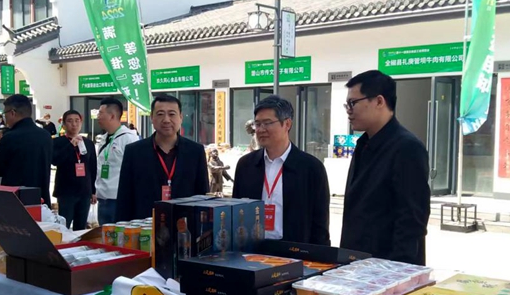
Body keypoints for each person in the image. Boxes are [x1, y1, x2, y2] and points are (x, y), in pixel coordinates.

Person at [340, 70, 430, 265]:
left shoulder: (407, 148)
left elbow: (412, 220)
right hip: (356, 263)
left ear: (379, 101)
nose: (349, 110)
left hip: (387, 268)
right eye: (347, 104)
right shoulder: (363, 144)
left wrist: (397, 270)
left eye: (353, 103)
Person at [232, 96, 330, 245]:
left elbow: (320, 223)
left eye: (267, 123)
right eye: (257, 124)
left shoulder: (310, 168)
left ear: (287, 124)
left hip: (293, 251)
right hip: (252, 249)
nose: (261, 129)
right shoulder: (246, 165)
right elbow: (236, 213)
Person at [116, 95, 209, 221]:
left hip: (184, 225)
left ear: (181, 117)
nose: (166, 120)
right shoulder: (134, 151)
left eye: (172, 114)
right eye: (160, 114)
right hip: (145, 224)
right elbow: (124, 197)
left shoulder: (195, 151)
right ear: (152, 118)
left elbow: (202, 194)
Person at [0, 94, 53, 206]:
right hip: (40, 197)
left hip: (16, 198)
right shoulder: (45, 135)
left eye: (4, 114)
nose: (4, 118)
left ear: (12, 113)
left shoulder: (10, 137)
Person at [94, 98, 138, 225]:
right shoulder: (104, 138)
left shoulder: (129, 139)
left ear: (112, 116)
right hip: (103, 198)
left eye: (101, 113)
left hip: (119, 199)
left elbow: (136, 170)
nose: (98, 117)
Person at [52, 110, 98, 230]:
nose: (74, 124)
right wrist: (71, 145)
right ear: (64, 125)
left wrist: (93, 191)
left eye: (77, 121)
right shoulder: (57, 142)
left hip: (84, 190)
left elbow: (92, 167)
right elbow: (55, 160)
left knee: (81, 227)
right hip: (66, 191)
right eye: (70, 121)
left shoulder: (88, 143)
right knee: (64, 225)